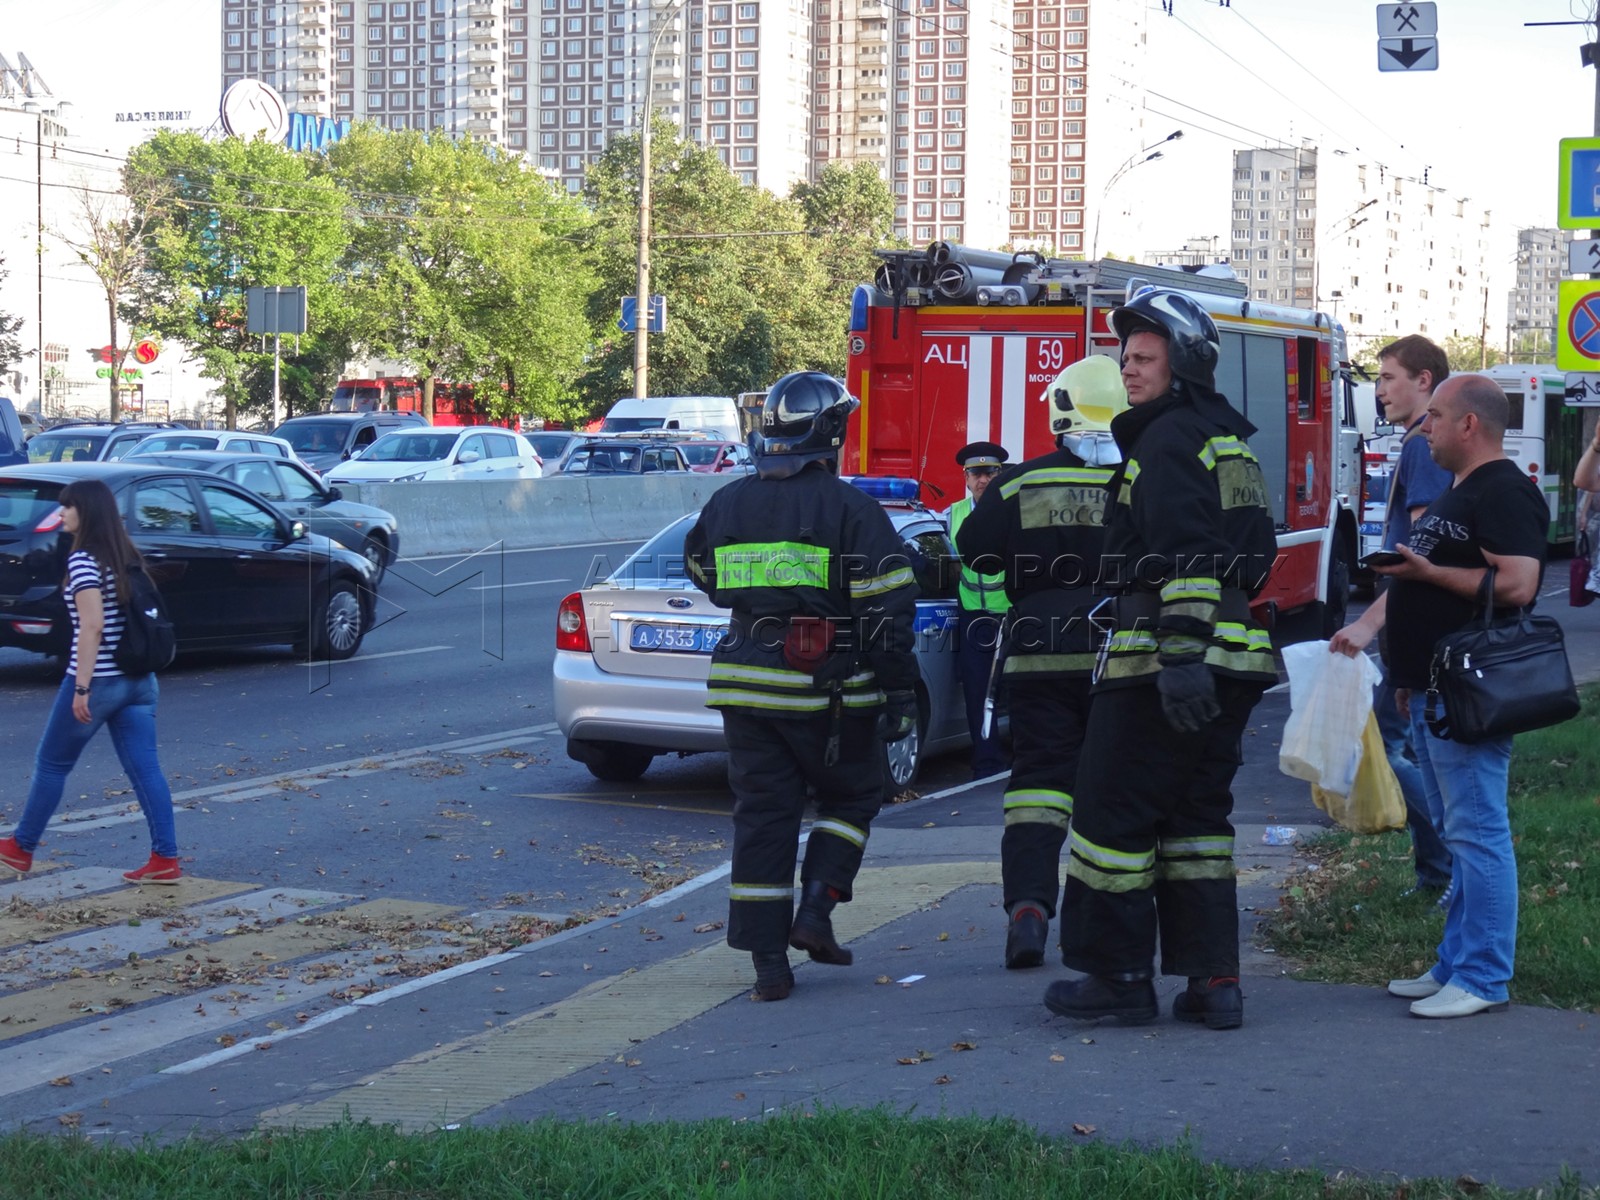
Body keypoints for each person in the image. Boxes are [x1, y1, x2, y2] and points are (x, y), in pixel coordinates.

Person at [1045, 290, 1278, 1030]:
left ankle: (1115, 978)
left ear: (1184, 369)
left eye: (1145, 359)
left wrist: (1178, 655)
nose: (1128, 370)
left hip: (1163, 667)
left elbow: (1189, 553)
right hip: (1234, 662)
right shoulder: (1228, 442)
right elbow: (1256, 556)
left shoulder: (1168, 440)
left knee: (1111, 815)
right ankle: (1214, 983)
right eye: (1126, 357)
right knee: (1196, 824)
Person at [685, 372, 919, 1002]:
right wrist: (901, 694)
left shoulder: (727, 502)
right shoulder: (852, 511)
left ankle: (768, 965)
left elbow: (700, 568)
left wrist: (763, 605)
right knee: (852, 799)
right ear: (832, 433)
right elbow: (888, 613)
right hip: (828, 692)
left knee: (763, 820)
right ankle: (815, 913)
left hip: (742, 684)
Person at [1331, 374, 1547, 1019]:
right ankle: (1455, 964)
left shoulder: (1505, 491)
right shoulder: (1461, 492)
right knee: (1460, 832)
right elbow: (1419, 587)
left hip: (1468, 691)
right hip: (1430, 689)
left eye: (1435, 419)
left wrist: (1429, 573)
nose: (1424, 429)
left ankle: (1483, 977)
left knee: (1479, 833)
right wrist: (1400, 672)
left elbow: (1518, 585)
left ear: (1468, 425)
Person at [955, 355, 1126, 970]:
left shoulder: (1017, 481)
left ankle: (1028, 909)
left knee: (1036, 787)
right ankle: (1104, 929)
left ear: (1059, 412)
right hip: (1120, 655)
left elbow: (975, 553)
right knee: (1111, 791)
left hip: (1035, 651)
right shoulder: (1140, 479)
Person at [0, 479, 181, 885]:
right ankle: (165, 859)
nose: (61, 514)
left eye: (68, 507)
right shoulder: (124, 556)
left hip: (99, 681)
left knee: (51, 764)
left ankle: (20, 848)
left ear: (87, 513)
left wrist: (81, 687)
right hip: (139, 681)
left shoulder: (83, 561)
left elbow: (92, 627)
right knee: (146, 770)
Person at [1372, 336, 1454, 899]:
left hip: (1412, 628)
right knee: (1407, 744)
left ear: (1424, 381)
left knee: (1394, 745)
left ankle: (1445, 867)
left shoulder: (1424, 446)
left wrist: (1365, 624)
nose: (1379, 390)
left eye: (1389, 377)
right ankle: (1437, 871)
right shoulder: (1420, 443)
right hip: (1411, 627)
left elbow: (1421, 552)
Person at [946, 440, 1012, 779]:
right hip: (973, 617)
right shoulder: (952, 515)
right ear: (966, 477)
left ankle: (1026, 759)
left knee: (1019, 691)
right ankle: (987, 764)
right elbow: (944, 565)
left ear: (1000, 474)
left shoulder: (1014, 509)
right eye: (976, 473)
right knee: (976, 692)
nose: (983, 479)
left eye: (990, 472)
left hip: (1012, 615)